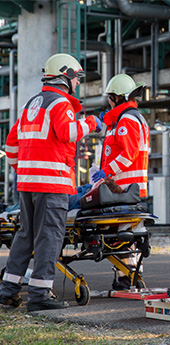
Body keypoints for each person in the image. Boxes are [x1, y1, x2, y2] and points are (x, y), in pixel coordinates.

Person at [0, 53, 102, 311]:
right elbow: (68, 132)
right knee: (49, 236)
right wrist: (90, 123)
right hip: (52, 183)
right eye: (77, 78)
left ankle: (8, 291)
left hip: (27, 183)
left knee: (25, 235)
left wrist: (25, 169)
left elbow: (11, 145)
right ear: (65, 75)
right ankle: (40, 295)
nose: (77, 83)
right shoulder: (60, 103)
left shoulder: (31, 105)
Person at [91, 73, 150, 290]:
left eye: (110, 97)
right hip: (126, 189)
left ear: (117, 97)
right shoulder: (126, 118)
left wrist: (106, 171)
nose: (108, 101)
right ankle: (130, 278)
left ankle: (127, 279)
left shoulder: (127, 120)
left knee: (123, 236)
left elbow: (128, 154)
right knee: (127, 235)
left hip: (125, 188)